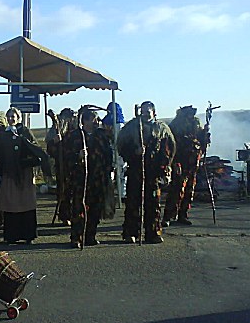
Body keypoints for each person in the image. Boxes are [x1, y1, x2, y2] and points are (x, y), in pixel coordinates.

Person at [117, 101, 176, 244]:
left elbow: (170, 149)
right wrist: (134, 152)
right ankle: (131, 233)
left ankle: (153, 233)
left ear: (154, 112)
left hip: (154, 173)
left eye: (147, 112)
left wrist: (166, 166)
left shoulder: (162, 128)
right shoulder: (131, 127)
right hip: (136, 170)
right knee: (133, 203)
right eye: (142, 111)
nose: (145, 114)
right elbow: (121, 146)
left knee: (153, 204)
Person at [61, 108, 115, 248]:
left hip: (98, 177)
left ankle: (90, 235)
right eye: (93, 119)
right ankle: (77, 237)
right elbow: (64, 156)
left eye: (97, 119)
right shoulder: (74, 136)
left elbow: (108, 154)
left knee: (96, 208)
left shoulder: (102, 136)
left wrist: (109, 170)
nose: (97, 122)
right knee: (79, 207)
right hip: (80, 178)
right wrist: (77, 156)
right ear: (85, 121)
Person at [0, 107, 45, 245]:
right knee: (11, 205)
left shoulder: (25, 132)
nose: (11, 119)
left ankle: (28, 235)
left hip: (24, 174)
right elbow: (0, 155)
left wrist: (26, 162)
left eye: (13, 116)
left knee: (26, 204)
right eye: (9, 116)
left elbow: (35, 148)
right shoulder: (4, 135)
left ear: (18, 118)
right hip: (9, 174)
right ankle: (12, 236)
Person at [163, 105, 209, 226]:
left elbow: (201, 140)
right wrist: (173, 163)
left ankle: (183, 214)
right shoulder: (176, 126)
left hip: (192, 162)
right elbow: (171, 146)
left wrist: (205, 133)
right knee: (177, 189)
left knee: (189, 189)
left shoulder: (195, 123)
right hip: (180, 161)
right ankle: (168, 216)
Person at [45, 108, 77, 225]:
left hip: (76, 165)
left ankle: (76, 214)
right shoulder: (58, 130)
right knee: (64, 192)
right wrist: (55, 142)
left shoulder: (76, 130)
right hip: (63, 166)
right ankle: (65, 215)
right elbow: (51, 150)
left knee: (76, 191)